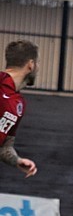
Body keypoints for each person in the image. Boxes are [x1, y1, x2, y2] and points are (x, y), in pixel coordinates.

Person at [0, 40, 38, 177]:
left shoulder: (18, 103)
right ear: (31, 64)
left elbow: (5, 146)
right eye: (37, 63)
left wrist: (17, 161)